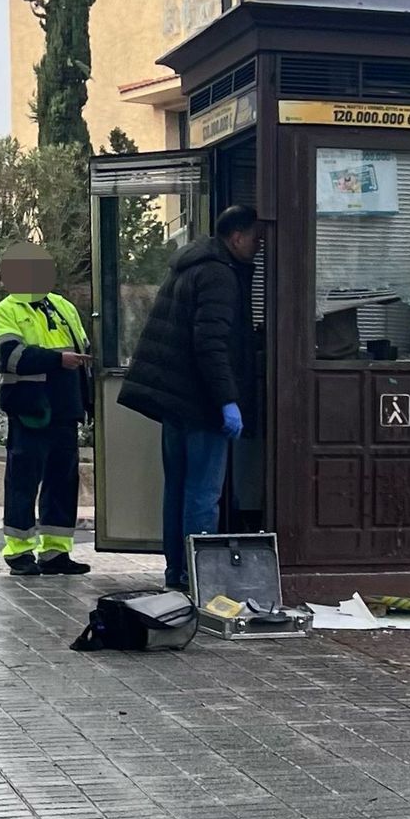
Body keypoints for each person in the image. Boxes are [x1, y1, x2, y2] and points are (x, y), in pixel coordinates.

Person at [118, 205, 262, 592]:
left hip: (175, 402)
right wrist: (227, 400)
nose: (260, 245)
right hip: (201, 404)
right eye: (255, 238)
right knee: (203, 494)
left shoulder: (190, 265)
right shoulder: (219, 274)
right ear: (236, 238)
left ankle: (177, 574)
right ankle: (201, 579)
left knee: (178, 488)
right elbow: (211, 344)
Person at [0, 242, 92, 576]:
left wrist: (88, 401)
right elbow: (12, 356)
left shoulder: (62, 306)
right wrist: (58, 360)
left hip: (65, 409)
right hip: (30, 411)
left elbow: (84, 351)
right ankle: (19, 552)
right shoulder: (6, 310)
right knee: (23, 482)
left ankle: (55, 552)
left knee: (63, 483)